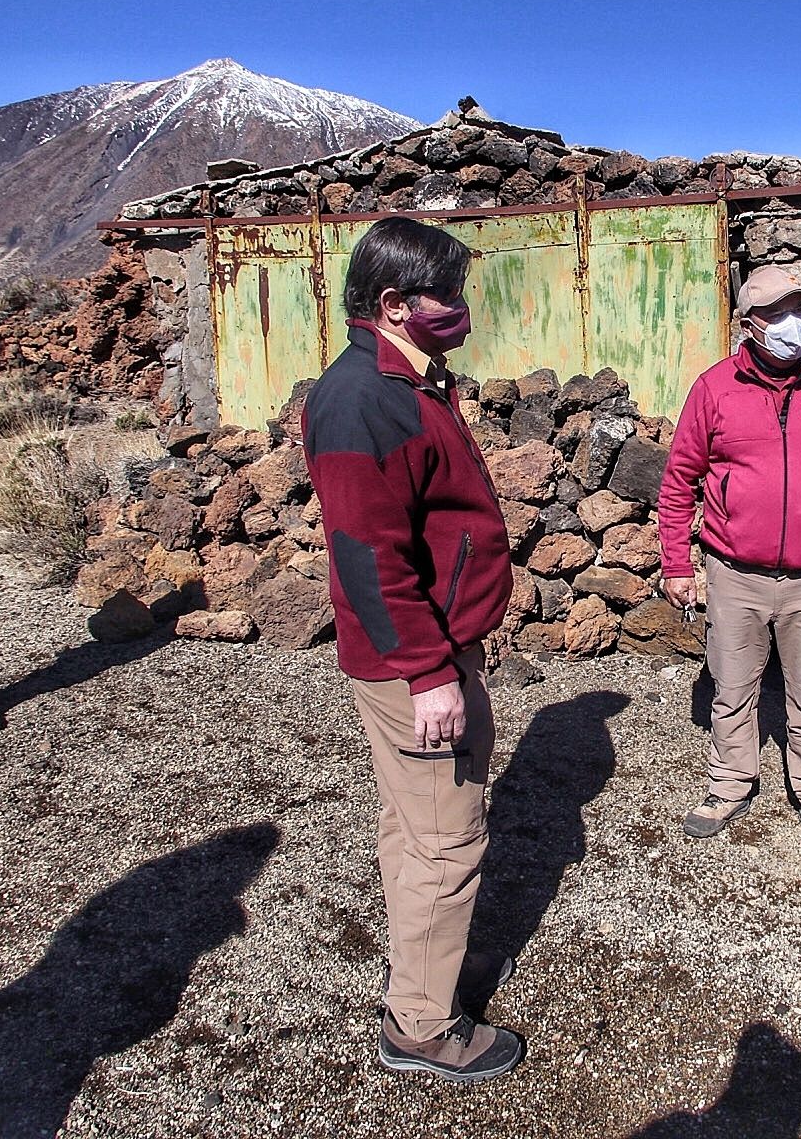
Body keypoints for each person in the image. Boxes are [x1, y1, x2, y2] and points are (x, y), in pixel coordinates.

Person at [301, 216, 523, 1084]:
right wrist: (431, 673)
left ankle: (420, 971)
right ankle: (422, 1025)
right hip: (414, 662)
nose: (463, 309)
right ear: (393, 304)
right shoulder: (365, 397)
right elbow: (368, 554)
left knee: (415, 824)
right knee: (445, 837)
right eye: (449, 295)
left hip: (426, 648)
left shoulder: (404, 380)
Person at [657, 265, 801, 856]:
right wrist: (677, 563)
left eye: (799, 308)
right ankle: (729, 783)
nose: (794, 323)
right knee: (731, 688)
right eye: (777, 312)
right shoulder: (714, 388)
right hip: (734, 573)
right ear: (750, 324)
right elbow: (679, 481)